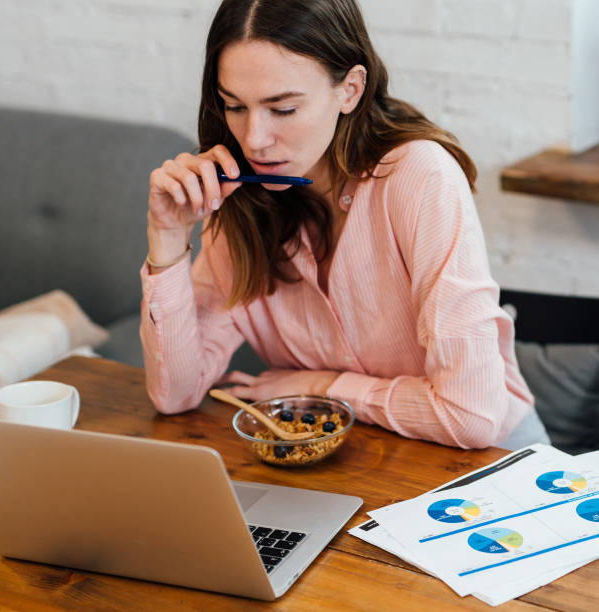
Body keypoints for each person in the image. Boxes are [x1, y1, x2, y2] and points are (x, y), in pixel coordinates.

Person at [140, 0, 549, 450]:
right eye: (234, 106)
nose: (253, 139)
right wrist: (168, 236)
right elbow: (174, 395)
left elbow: (470, 417)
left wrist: (322, 386)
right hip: (363, 464)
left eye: (283, 109)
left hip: (498, 464)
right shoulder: (240, 207)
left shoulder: (420, 176)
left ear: (350, 90)